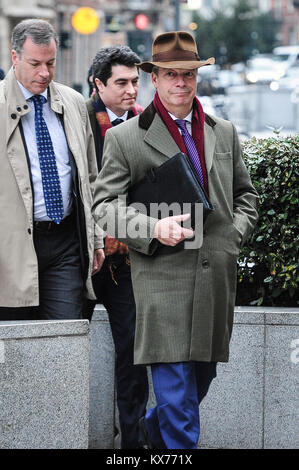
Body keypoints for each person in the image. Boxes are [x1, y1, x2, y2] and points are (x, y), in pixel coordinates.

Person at [92, 31, 259, 449]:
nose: (180, 82)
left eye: (188, 74)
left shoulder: (224, 131)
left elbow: (247, 197)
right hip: (162, 284)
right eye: (171, 74)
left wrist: (233, 237)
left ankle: (150, 430)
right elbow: (104, 205)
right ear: (155, 78)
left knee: (196, 386)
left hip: (214, 282)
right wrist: (152, 228)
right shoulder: (126, 138)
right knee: (180, 404)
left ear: (196, 77)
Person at [0, 19, 104, 321]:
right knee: (13, 347)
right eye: (35, 63)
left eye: (51, 63)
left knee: (66, 337)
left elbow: (91, 179)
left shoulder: (72, 102)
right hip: (11, 247)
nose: (44, 73)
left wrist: (95, 238)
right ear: (15, 56)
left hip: (64, 242)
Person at [84, 46, 149, 449]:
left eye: (135, 82)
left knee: (133, 349)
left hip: (126, 257)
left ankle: (132, 444)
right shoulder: (78, 120)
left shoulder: (146, 123)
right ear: (99, 84)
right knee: (65, 342)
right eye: (121, 82)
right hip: (83, 255)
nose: (130, 91)